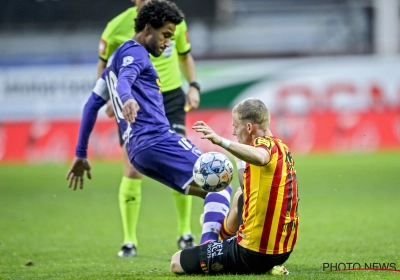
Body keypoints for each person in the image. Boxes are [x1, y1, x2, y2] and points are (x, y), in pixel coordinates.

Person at [66, 0, 231, 260]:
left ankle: (222, 241)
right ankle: (210, 250)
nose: (167, 44)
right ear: (147, 28)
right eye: (165, 35)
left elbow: (90, 105)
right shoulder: (136, 54)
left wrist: (80, 153)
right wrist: (127, 97)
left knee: (209, 191)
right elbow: (126, 80)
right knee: (223, 182)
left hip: (138, 155)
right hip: (158, 140)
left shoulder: (116, 58)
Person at [97, 0, 200, 256]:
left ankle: (185, 232)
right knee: (132, 169)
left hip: (171, 96)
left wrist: (194, 86)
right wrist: (111, 96)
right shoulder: (115, 27)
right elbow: (104, 65)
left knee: (180, 160)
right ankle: (129, 240)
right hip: (136, 100)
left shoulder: (174, 19)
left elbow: (185, 56)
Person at [170, 98, 299, 275]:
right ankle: (221, 236)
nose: (233, 132)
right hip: (282, 250)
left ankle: (212, 238)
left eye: (235, 126)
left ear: (248, 128)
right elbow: (247, 189)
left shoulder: (265, 146)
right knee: (240, 195)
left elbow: (261, 157)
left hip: (253, 252)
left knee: (177, 262)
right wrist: (239, 161)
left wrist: (221, 141)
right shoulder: (282, 147)